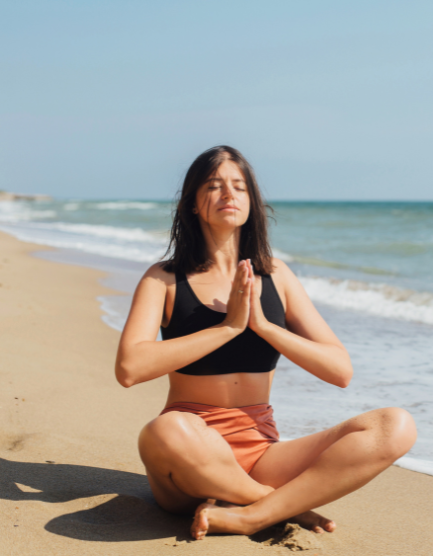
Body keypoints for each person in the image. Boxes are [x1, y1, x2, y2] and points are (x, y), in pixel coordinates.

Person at [114, 146, 417, 540]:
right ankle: (278, 505)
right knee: (163, 431)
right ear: (192, 203)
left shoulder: (277, 276)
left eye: (239, 187)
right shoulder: (165, 278)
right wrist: (227, 328)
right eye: (214, 185)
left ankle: (249, 515)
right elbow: (129, 368)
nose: (229, 194)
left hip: (262, 453)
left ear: (251, 202)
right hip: (190, 455)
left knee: (395, 426)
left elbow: (340, 370)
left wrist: (264, 326)